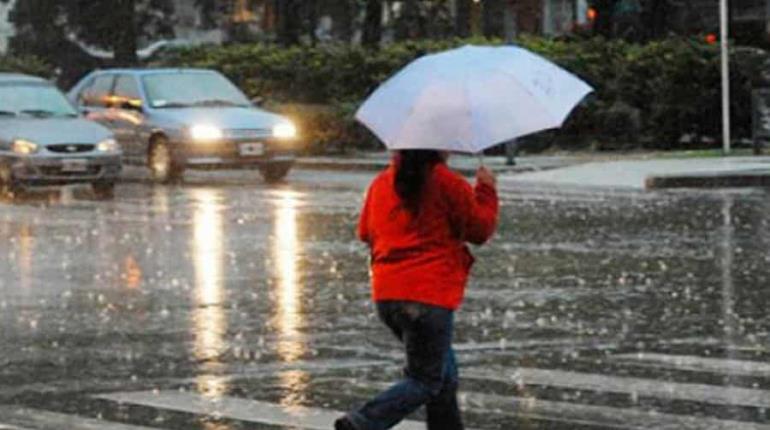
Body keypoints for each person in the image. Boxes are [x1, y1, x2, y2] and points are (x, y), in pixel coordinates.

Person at [336, 150, 499, 430]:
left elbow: (365, 232)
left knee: (444, 375)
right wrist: (486, 191)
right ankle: (363, 422)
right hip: (428, 294)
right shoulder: (447, 182)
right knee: (425, 379)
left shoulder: (381, 182)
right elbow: (480, 230)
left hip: (388, 295)